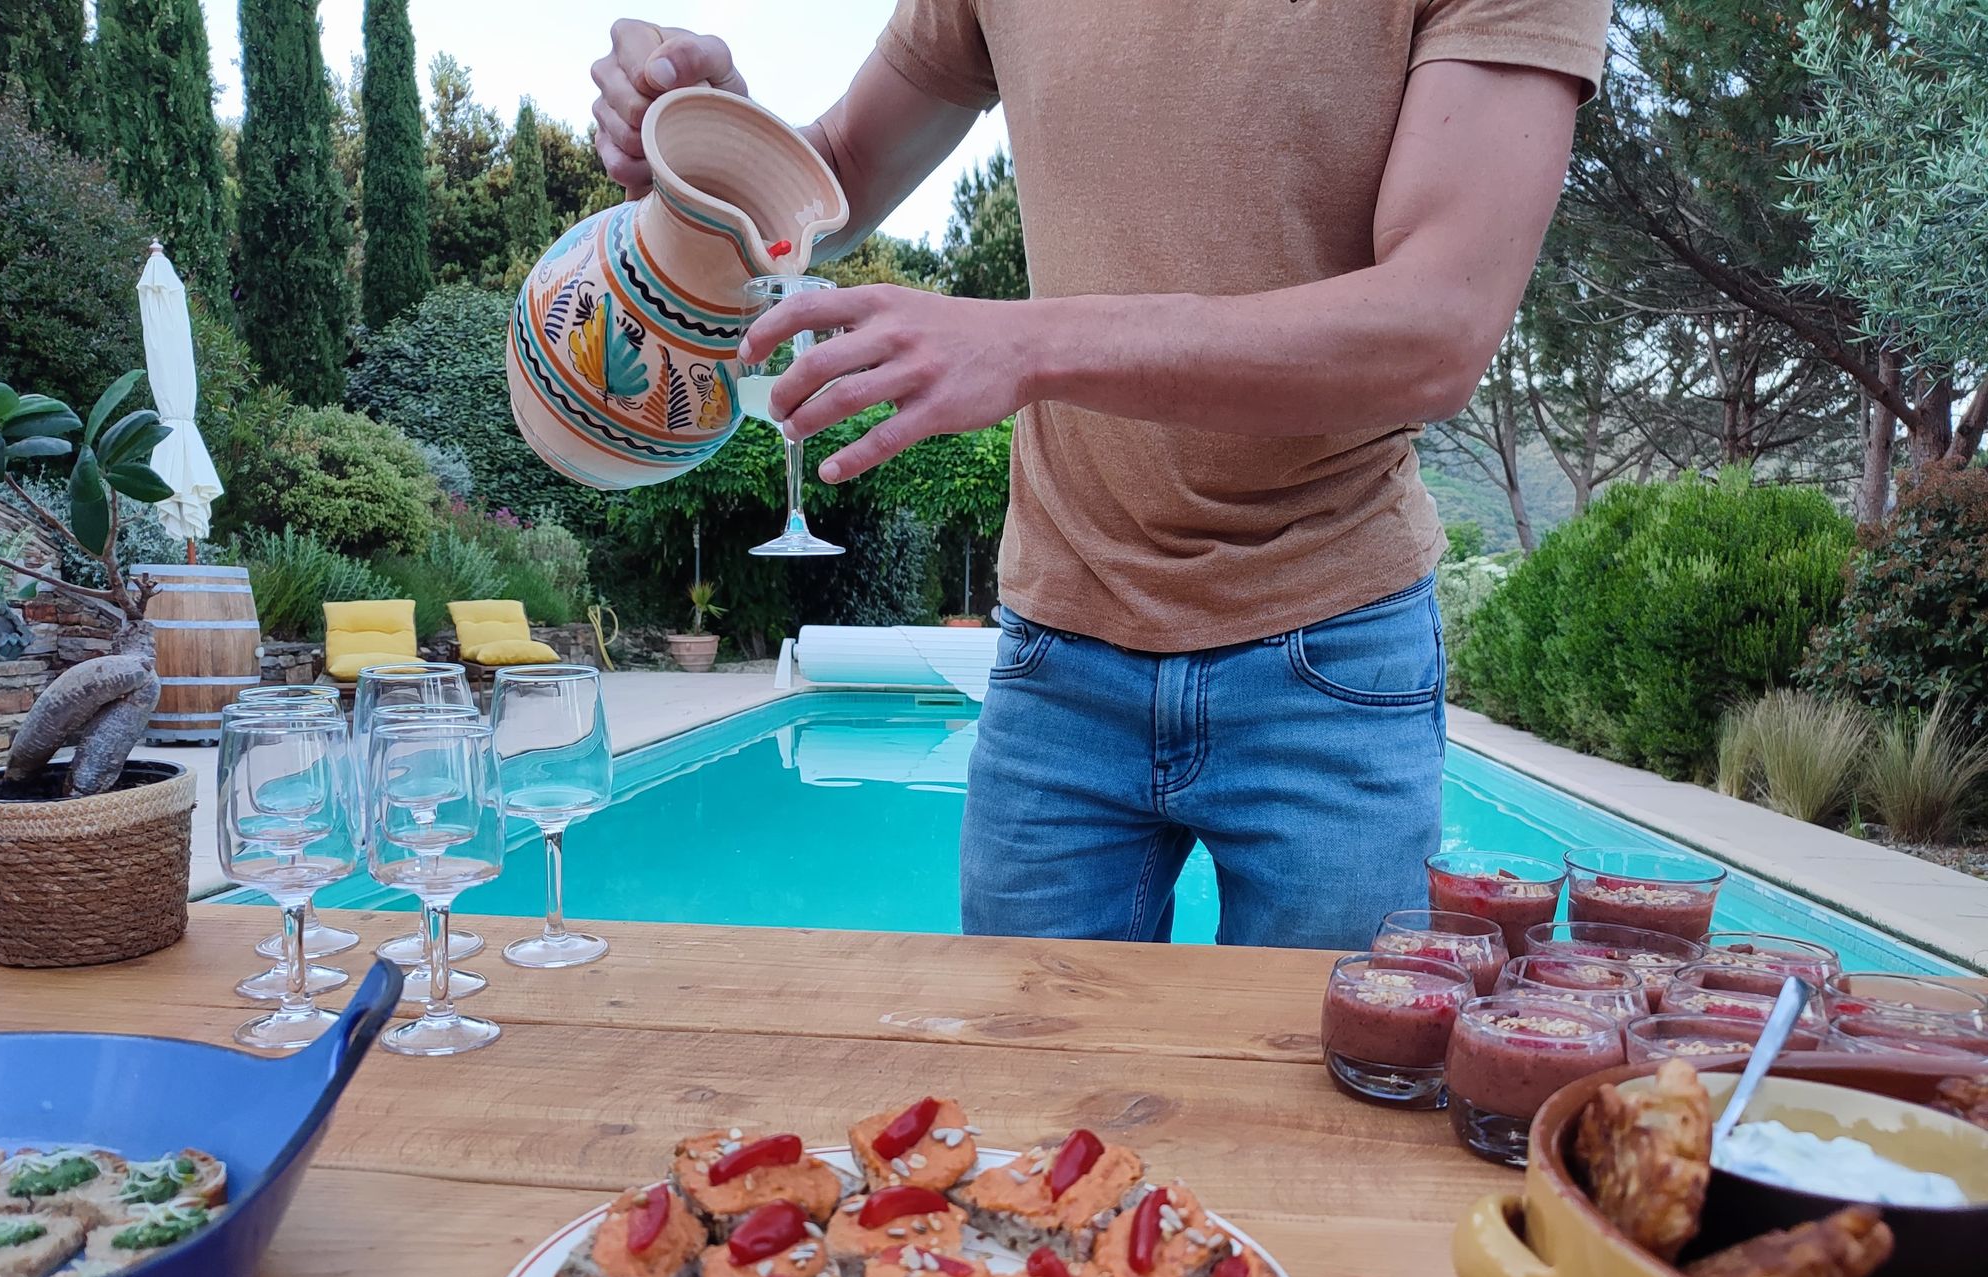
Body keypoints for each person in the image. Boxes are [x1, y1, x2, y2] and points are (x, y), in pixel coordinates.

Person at [592, 2, 1611, 948]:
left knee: (1318, 1110)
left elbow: (1435, 330)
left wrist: (1029, 346)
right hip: (1060, 655)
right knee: (1025, 1112)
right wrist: (719, 155)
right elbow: (846, 165)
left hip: (1331, 647)